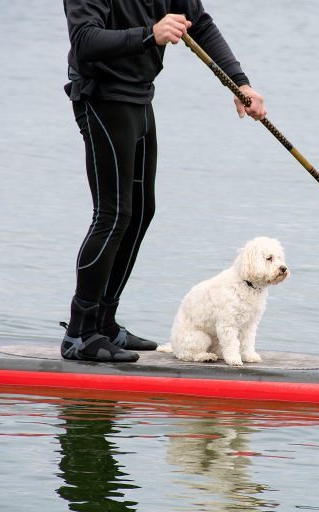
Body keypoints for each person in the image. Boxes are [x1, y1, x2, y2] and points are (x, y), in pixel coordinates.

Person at [61, 0, 267, 362]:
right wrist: (149, 35)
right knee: (113, 215)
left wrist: (241, 83)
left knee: (141, 212)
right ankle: (80, 334)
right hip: (102, 96)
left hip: (140, 96)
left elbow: (200, 23)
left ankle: (104, 324)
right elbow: (84, 40)